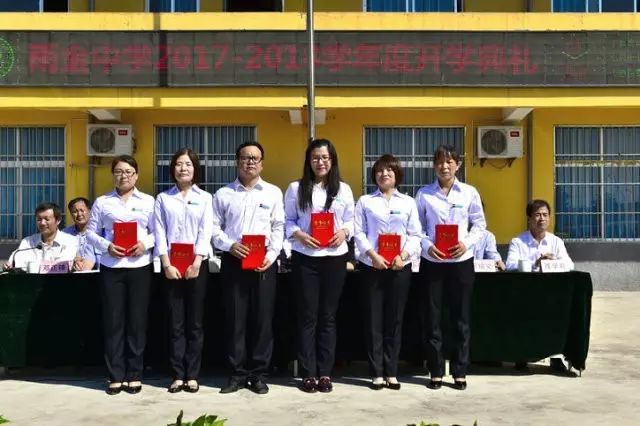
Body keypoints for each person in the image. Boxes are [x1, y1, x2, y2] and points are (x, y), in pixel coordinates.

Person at [212, 141, 284, 395]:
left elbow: (278, 227)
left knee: (262, 320)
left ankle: (259, 374)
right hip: (234, 260)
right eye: (245, 157)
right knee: (235, 319)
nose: (250, 162)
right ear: (237, 161)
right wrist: (229, 244)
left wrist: (272, 255)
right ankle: (236, 374)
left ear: (262, 163)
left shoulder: (273, 193)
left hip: (264, 262)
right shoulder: (223, 194)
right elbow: (214, 228)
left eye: (255, 158)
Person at [284, 138, 354, 393]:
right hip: (306, 258)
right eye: (315, 158)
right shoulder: (295, 188)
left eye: (325, 157)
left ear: (332, 160)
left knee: (328, 318)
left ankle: (325, 373)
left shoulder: (343, 190)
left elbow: (351, 220)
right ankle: (307, 373)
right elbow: (287, 221)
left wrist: (344, 232)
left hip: (335, 258)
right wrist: (300, 235)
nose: (320, 162)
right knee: (307, 317)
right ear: (308, 161)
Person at [416, 145, 486, 391]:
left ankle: (459, 370)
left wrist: (465, 243)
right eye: (439, 162)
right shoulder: (424, 194)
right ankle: (435, 371)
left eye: (449, 162)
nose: (444, 166)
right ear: (434, 166)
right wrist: (426, 246)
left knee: (461, 319)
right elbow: (417, 229)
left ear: (458, 164)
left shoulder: (469, 193)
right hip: (432, 263)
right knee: (432, 319)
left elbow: (479, 225)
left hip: (460, 262)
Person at [86, 155, 156, 395]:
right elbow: (91, 233)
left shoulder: (148, 201)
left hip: (140, 267)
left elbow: (157, 232)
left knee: (137, 323)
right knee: (114, 322)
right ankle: (115, 374)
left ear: (136, 175)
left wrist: (144, 244)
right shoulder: (102, 202)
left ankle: (134, 374)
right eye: (118, 171)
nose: (123, 175)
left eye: (128, 171)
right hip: (112, 267)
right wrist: (107, 246)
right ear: (112, 174)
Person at [353, 154, 422, 391]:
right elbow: (358, 233)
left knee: (394, 320)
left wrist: (403, 256)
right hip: (372, 267)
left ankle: (392, 371)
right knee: (373, 320)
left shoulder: (408, 202)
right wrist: (373, 255)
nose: (384, 174)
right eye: (380, 170)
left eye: (389, 171)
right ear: (375, 175)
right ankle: (376, 372)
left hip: (399, 267)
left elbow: (415, 235)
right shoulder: (364, 201)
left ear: (397, 175)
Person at [154, 148, 213, 394]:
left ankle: (193, 374)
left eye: (188, 164)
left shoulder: (206, 197)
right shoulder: (163, 199)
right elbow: (159, 232)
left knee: (195, 323)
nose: (183, 168)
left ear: (195, 168)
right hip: (171, 267)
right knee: (175, 323)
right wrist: (166, 264)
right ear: (172, 169)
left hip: (197, 266)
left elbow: (205, 230)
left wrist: (197, 261)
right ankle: (178, 374)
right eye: (178, 164)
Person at [505, 199, 575, 373]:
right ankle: (522, 357)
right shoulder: (518, 242)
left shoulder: (556, 242)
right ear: (529, 219)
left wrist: (553, 263)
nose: (541, 219)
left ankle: (555, 357)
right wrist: (536, 263)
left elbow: (570, 265)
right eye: (537, 215)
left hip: (551, 293)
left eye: (545, 215)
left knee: (557, 319)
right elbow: (510, 266)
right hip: (525, 293)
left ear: (550, 218)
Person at [3, 202, 78, 272]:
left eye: (47, 219)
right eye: (39, 219)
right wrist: (8, 266)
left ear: (58, 220)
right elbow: (16, 263)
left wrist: (33, 266)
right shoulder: (27, 242)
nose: (42, 223)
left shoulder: (70, 241)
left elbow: (61, 266)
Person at [63, 197, 97, 271]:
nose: (79, 214)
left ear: (90, 211)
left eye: (82, 210)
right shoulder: (64, 234)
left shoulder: (99, 232)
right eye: (75, 211)